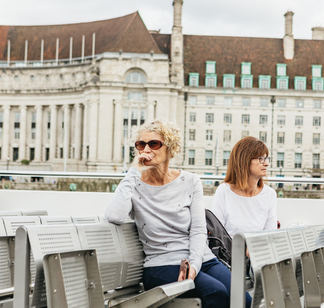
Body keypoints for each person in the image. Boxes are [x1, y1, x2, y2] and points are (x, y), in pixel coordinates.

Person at [105, 120, 251, 308]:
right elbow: (114, 215)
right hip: (161, 266)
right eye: (141, 144)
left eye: (154, 144)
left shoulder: (190, 181)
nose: (146, 149)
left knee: (243, 299)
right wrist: (134, 169)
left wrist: (194, 266)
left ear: (170, 148)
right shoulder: (133, 184)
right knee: (216, 292)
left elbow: (198, 230)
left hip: (201, 259)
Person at [212, 136, 277, 238]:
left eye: (266, 158)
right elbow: (217, 234)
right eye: (261, 159)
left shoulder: (270, 194)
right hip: (230, 252)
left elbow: (270, 235)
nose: (267, 163)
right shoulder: (224, 191)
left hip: (257, 251)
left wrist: (253, 245)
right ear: (244, 161)